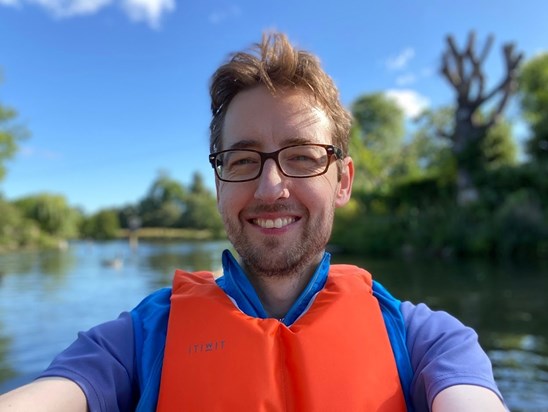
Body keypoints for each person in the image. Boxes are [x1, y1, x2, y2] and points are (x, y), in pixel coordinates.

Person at [0, 32, 506, 412]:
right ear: (219, 184)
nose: (270, 188)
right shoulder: (136, 341)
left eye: (303, 157)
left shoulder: (430, 344)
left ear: (344, 180)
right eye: (242, 161)